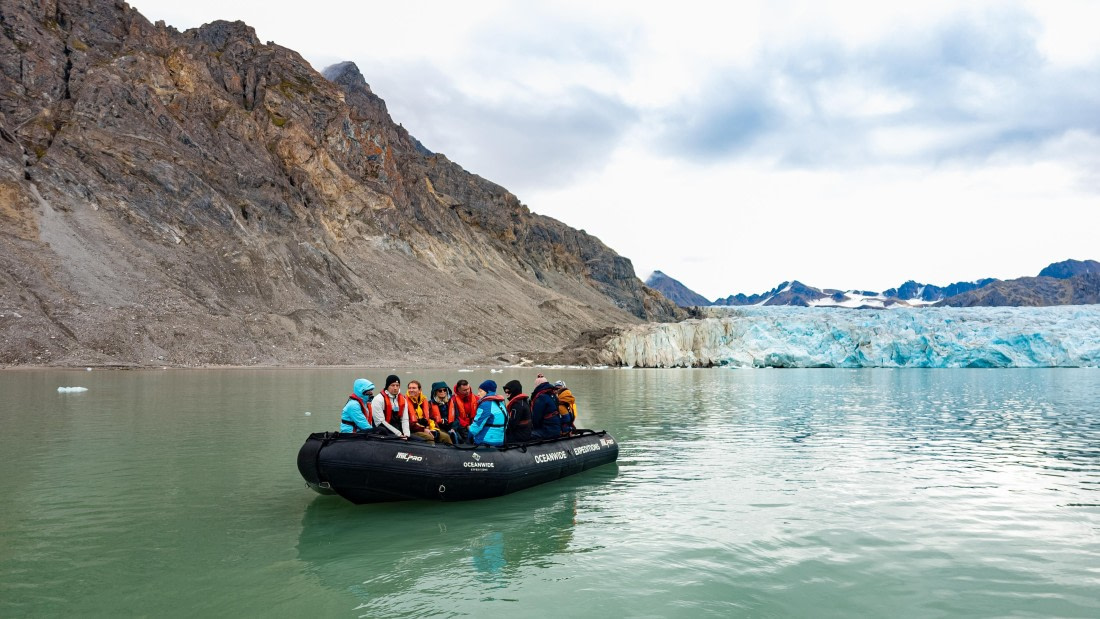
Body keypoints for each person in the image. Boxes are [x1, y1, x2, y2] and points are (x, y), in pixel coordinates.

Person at [408, 380, 453, 445]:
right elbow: (408, 423)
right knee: (429, 438)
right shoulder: (405, 402)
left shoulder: (424, 402)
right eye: (409, 388)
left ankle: (450, 453)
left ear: (420, 390)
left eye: (414, 388)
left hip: (427, 428)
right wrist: (423, 429)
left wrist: (434, 429)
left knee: (446, 437)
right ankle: (432, 454)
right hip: (414, 430)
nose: (411, 390)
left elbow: (432, 419)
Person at [469, 379, 507, 446]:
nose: (478, 394)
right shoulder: (501, 403)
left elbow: (476, 426)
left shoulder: (486, 405)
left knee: (472, 455)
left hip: (486, 441)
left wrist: (469, 437)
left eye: (480, 391)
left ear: (488, 392)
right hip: (500, 440)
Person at [530, 373, 562, 440]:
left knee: (526, 435)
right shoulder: (553, 395)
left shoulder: (541, 398)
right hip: (556, 429)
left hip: (548, 431)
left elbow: (536, 419)